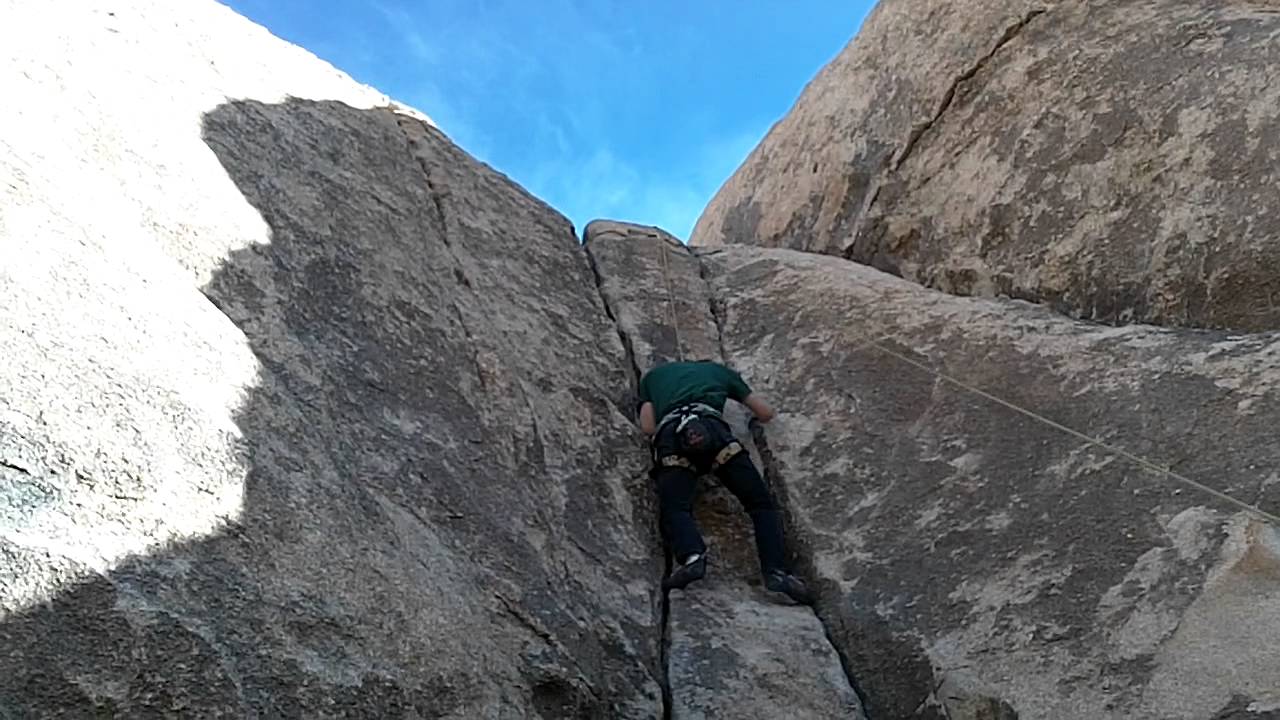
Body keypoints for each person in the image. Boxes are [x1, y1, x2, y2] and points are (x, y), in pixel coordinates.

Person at [638, 359, 813, 604]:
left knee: (676, 507)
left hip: (672, 437)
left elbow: (647, 427)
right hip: (713, 432)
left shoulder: (652, 378)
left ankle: (692, 557)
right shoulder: (720, 372)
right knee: (760, 505)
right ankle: (776, 571)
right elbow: (765, 412)